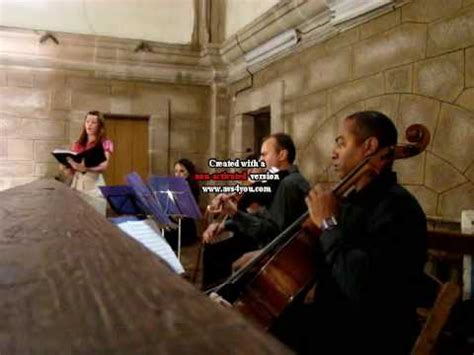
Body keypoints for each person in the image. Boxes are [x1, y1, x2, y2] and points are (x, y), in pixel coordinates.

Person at [274, 111, 428, 354]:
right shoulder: (350, 202)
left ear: (370, 146)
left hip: (367, 336)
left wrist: (327, 223)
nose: (333, 153)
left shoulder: (398, 207)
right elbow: (330, 258)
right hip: (334, 319)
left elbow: (362, 286)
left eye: (342, 143)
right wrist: (272, 260)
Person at [202, 133, 310, 289]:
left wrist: (235, 213)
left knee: (220, 259)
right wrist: (227, 223)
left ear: (282, 154)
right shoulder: (277, 180)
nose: (261, 161)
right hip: (265, 242)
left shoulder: (289, 183)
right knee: (214, 254)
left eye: (264, 154)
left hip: (278, 253)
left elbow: (272, 232)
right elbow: (263, 217)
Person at [62, 110, 113, 215]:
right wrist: (66, 167)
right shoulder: (78, 144)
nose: (89, 125)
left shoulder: (105, 143)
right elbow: (71, 172)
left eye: (93, 122)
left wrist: (87, 169)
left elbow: (104, 166)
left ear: (100, 126)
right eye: (87, 121)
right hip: (77, 186)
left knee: (95, 221)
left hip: (93, 187)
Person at [164, 158, 201, 250]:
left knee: (163, 239)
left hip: (184, 230)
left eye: (181, 171)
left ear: (188, 173)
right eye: (176, 171)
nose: (178, 174)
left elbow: (184, 213)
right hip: (173, 226)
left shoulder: (192, 188)